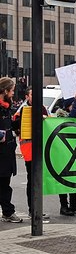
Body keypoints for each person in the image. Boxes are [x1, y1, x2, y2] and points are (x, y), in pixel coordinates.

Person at [13, 87, 50, 219]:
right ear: (27, 97)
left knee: (38, 179)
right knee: (32, 179)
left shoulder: (43, 108)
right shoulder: (22, 110)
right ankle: (32, 209)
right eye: (32, 94)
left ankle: (37, 208)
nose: (35, 96)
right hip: (29, 149)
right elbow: (15, 125)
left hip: (41, 148)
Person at [56, 92, 76, 216]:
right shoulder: (60, 116)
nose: (75, 106)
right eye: (73, 104)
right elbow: (72, 118)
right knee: (64, 180)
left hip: (73, 150)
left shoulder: (74, 116)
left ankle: (74, 204)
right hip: (63, 152)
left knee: (74, 178)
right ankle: (64, 206)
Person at [0, 77, 22, 223]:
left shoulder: (7, 107)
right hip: (1, 152)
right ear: (5, 90)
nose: (13, 93)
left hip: (7, 151)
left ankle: (7, 212)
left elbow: (10, 126)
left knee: (5, 184)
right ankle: (8, 212)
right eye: (12, 90)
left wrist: (21, 121)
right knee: (3, 185)